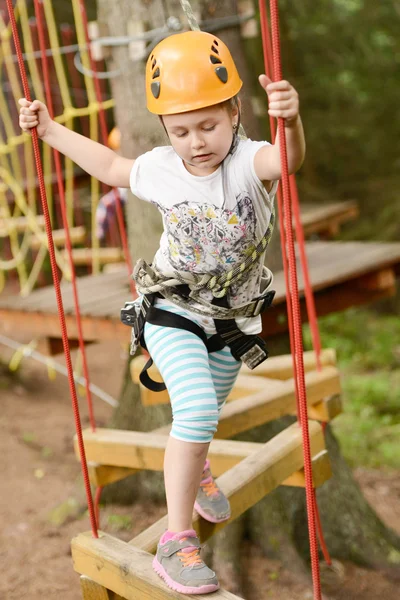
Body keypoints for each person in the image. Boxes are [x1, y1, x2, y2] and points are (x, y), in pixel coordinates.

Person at [19, 30, 305, 595]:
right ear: (165, 131)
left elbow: (287, 161)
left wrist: (290, 122)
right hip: (171, 306)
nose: (196, 142)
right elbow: (108, 164)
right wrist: (49, 131)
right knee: (195, 407)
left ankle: (194, 467)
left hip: (233, 317)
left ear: (233, 112)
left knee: (205, 411)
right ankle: (178, 542)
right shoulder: (161, 167)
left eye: (208, 126)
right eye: (180, 131)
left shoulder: (251, 160)